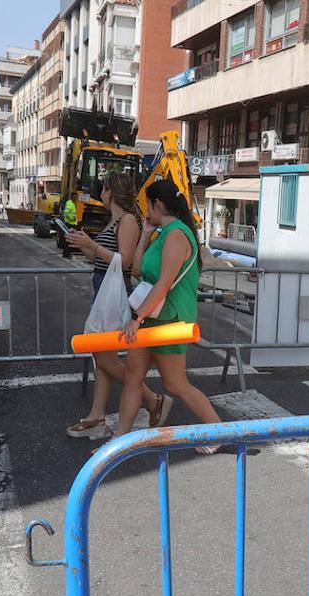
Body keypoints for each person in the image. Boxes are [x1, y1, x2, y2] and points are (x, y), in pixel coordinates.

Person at [111, 179, 222, 454]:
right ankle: (117, 444)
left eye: (146, 205)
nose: (144, 210)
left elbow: (163, 283)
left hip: (169, 321)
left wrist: (136, 319)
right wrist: (145, 234)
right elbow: (138, 271)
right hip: (151, 318)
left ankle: (218, 433)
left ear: (157, 204)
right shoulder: (163, 232)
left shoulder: (176, 234)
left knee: (175, 383)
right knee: (134, 377)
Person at [64, 172, 172, 439]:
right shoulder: (114, 220)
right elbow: (102, 258)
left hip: (114, 291)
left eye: (103, 188)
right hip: (103, 287)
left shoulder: (127, 221)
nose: (100, 192)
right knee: (102, 355)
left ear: (111, 192)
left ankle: (152, 399)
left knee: (103, 355)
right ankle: (97, 415)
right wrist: (82, 245)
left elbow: (123, 262)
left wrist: (91, 244)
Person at [61, 191, 78, 258]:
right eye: (74, 197)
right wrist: (72, 219)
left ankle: (66, 253)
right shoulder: (69, 203)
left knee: (69, 240)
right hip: (69, 224)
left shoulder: (73, 203)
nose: (75, 198)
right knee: (68, 240)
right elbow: (67, 213)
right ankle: (66, 254)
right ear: (71, 197)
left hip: (72, 224)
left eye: (76, 197)